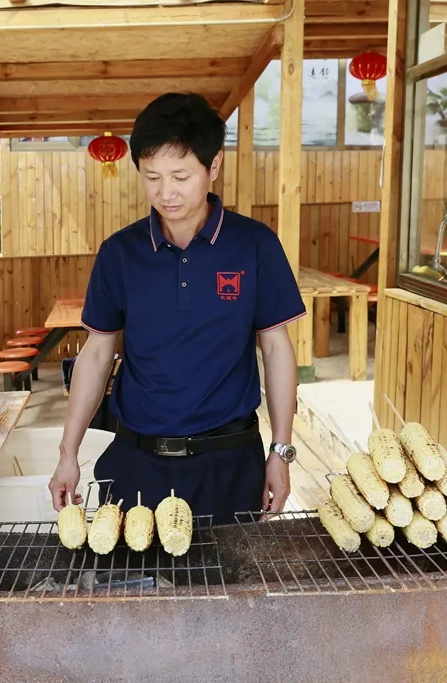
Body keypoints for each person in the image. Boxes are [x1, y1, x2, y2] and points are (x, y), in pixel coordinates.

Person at [47, 92, 305, 525]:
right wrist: (67, 453)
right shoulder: (120, 253)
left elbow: (277, 350)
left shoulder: (255, 245)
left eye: (180, 176)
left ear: (214, 166)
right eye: (152, 177)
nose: (165, 193)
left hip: (230, 461)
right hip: (138, 462)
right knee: (138, 589)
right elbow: (96, 353)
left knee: (231, 588)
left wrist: (281, 450)